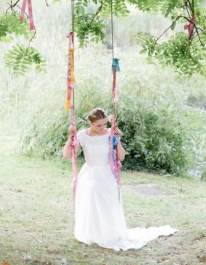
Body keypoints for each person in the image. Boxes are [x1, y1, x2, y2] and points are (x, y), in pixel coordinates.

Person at [63, 107, 177, 251]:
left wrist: (118, 140)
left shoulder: (110, 134)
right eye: (99, 125)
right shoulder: (82, 135)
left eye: (105, 124)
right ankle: (92, 232)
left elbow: (121, 156)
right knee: (91, 196)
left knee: (106, 202)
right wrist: (70, 137)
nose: (103, 127)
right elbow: (67, 155)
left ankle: (109, 233)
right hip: (90, 172)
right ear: (90, 123)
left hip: (106, 173)